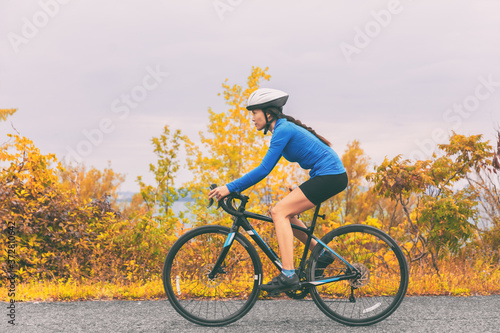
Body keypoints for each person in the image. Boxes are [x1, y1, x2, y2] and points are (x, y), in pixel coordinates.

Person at [208, 88, 348, 293]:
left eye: (254, 113)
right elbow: (314, 156)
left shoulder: (283, 130)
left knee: (278, 212)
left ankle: (288, 274)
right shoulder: (281, 130)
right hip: (326, 176)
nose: (252, 118)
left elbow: (264, 169)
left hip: (330, 176)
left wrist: (229, 187)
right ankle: (321, 254)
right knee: (286, 214)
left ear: (268, 113)